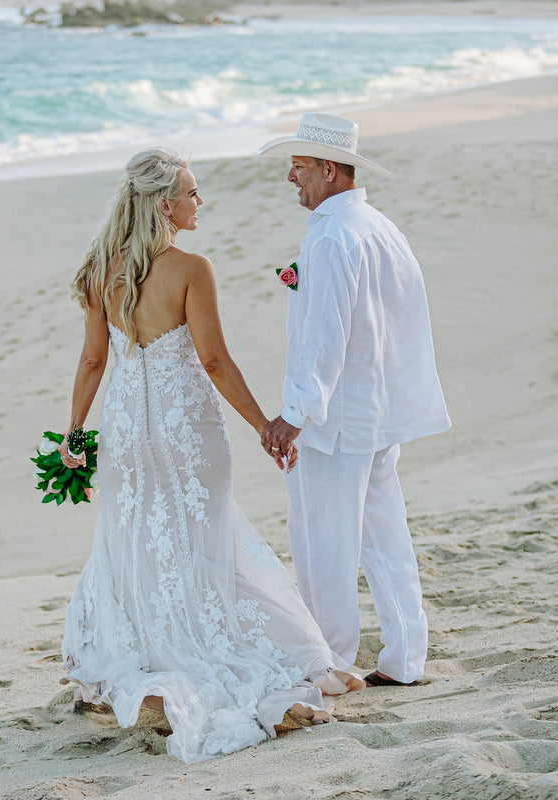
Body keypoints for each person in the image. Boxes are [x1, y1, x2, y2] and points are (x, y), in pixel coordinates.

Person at [58, 147, 363, 764]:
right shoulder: (191, 269)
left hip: (124, 428)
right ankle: (210, 660)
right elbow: (215, 361)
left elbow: (93, 360)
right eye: (193, 193)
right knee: (206, 539)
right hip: (186, 429)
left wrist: (74, 434)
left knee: (138, 540)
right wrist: (266, 427)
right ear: (165, 204)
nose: (201, 202)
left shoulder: (99, 268)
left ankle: (147, 655)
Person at [256, 113, 451, 688]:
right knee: (386, 539)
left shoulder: (335, 235)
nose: (291, 176)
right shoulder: (378, 225)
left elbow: (326, 335)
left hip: (338, 420)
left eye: (299, 165)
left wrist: (294, 415)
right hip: (378, 412)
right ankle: (405, 657)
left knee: (324, 543)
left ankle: (332, 661)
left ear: (329, 168)